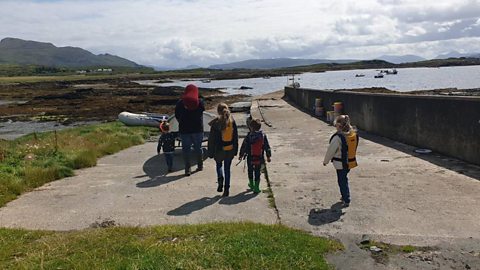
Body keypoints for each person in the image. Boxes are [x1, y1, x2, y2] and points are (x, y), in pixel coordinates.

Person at [323, 115, 359, 207]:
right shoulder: (352, 135)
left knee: (342, 181)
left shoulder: (338, 138)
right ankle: (344, 196)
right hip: (350, 162)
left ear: (339, 126)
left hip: (340, 164)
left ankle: (346, 198)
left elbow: (331, 150)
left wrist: (325, 161)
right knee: (344, 179)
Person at [207, 103, 239, 197]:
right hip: (230, 149)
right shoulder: (232, 121)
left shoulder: (216, 123)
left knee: (219, 165)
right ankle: (226, 189)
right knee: (227, 169)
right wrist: (235, 150)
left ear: (218, 111)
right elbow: (235, 137)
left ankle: (220, 179)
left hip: (219, 149)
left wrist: (210, 152)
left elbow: (211, 139)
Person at [175, 84, 205, 176]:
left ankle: (187, 169)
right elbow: (203, 109)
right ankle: (200, 165)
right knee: (198, 148)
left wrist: (181, 121)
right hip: (198, 129)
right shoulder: (200, 102)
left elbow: (177, 115)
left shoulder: (180, 103)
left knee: (186, 150)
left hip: (185, 130)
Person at [239, 118, 271, 194]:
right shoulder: (262, 136)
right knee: (257, 171)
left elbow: (244, 146)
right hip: (259, 157)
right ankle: (256, 187)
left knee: (250, 170)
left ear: (251, 127)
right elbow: (267, 146)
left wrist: (241, 154)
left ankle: (251, 184)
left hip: (250, 157)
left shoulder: (249, 136)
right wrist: (268, 156)